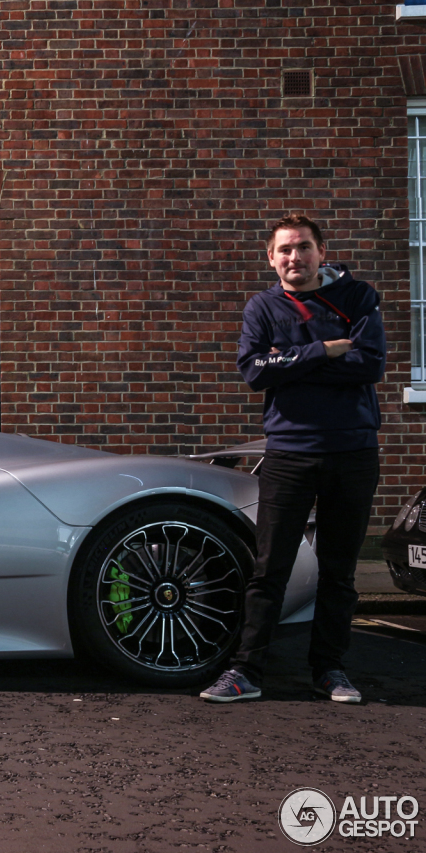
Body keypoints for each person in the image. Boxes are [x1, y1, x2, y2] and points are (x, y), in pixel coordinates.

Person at [201, 214, 384, 704]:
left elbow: (371, 363)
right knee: (270, 568)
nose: (294, 257)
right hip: (289, 454)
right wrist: (323, 350)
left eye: (303, 248)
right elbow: (254, 371)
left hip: (353, 452)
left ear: (322, 252)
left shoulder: (358, 297)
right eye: (284, 250)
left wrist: (290, 361)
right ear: (271, 258)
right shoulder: (262, 306)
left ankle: (330, 671)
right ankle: (246, 672)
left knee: (339, 571)